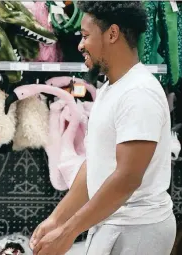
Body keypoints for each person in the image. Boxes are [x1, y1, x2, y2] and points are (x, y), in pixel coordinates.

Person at [30, 2, 176, 255]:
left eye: (85, 36)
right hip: (116, 224)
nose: (80, 45)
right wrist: (58, 219)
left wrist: (68, 232)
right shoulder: (111, 88)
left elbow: (126, 178)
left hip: (138, 230)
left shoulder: (138, 93)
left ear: (112, 34)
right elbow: (97, 163)